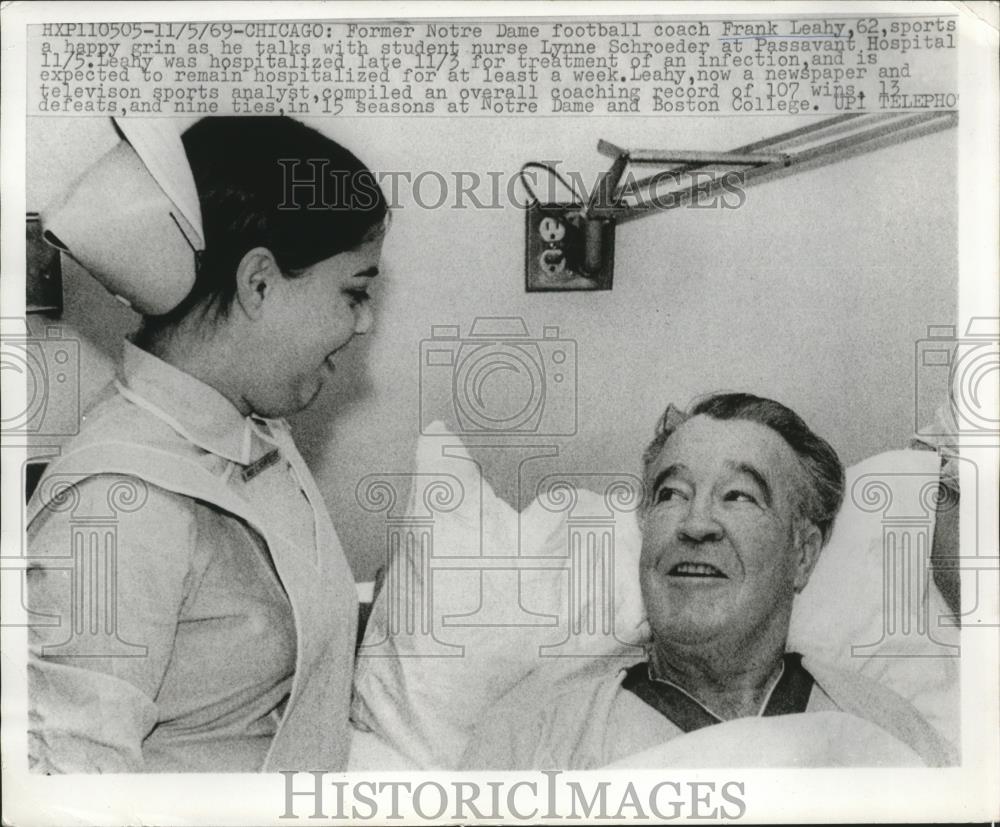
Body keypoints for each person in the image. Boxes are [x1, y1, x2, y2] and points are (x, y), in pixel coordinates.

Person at [26, 117, 388, 773]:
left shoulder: (250, 428)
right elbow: (75, 792)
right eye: (355, 291)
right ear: (258, 283)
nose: (363, 324)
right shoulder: (118, 506)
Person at [460, 393, 956, 769]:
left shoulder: (888, 734)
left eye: (738, 496)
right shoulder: (532, 739)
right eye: (671, 494)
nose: (696, 524)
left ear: (803, 554)